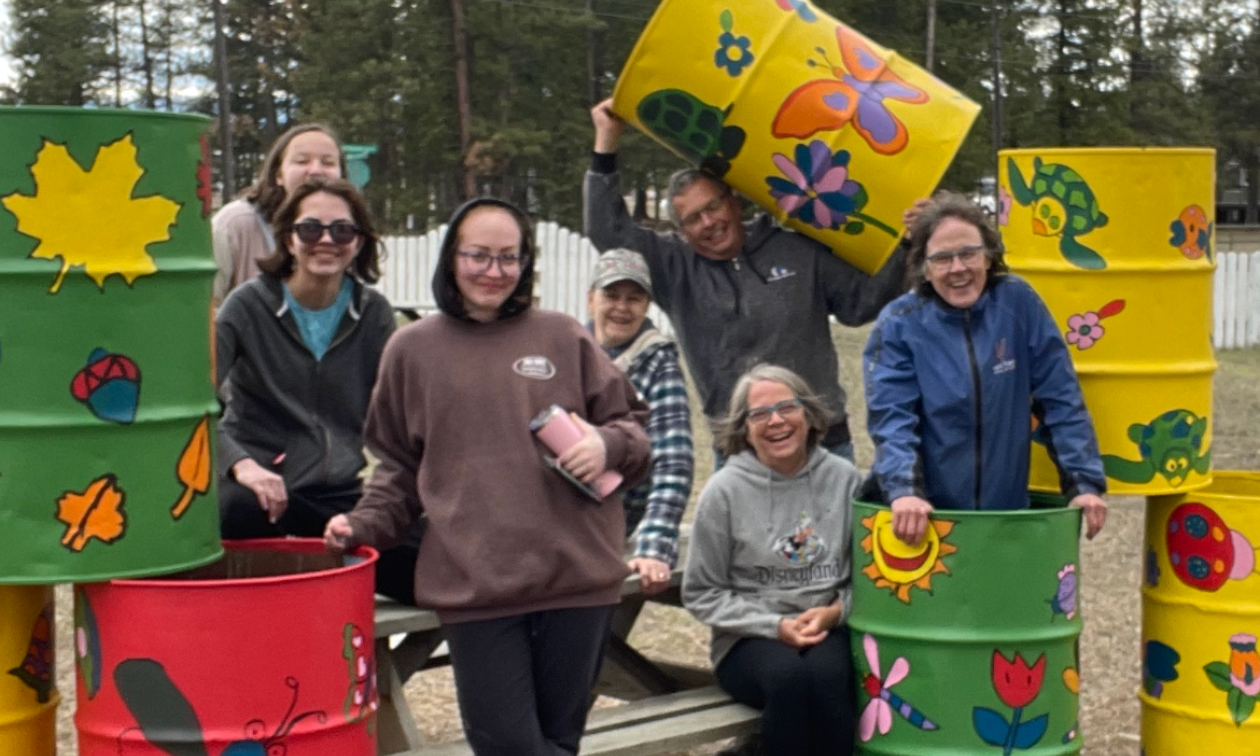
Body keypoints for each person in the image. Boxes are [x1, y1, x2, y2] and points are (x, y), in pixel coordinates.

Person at [322, 197, 652, 756]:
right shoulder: (411, 350)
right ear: (452, 256)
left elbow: (637, 434)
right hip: (477, 586)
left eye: (509, 258)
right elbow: (398, 469)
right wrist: (361, 526)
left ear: (526, 264)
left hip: (579, 579)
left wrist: (605, 443)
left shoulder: (563, 336)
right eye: (478, 255)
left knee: (558, 741)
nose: (493, 272)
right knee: (507, 745)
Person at [585, 98, 916, 464]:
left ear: (734, 200)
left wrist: (906, 244)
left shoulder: (795, 244)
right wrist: (607, 138)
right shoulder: (674, 266)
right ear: (681, 231)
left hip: (823, 443)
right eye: (693, 219)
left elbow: (859, 305)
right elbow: (606, 229)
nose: (708, 223)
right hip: (739, 453)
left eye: (713, 207)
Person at [863, 191, 1108, 546]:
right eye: (943, 258)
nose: (958, 268)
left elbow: (1060, 398)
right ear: (924, 268)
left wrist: (1083, 484)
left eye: (968, 253)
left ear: (989, 257)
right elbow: (892, 418)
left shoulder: (1018, 303)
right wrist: (904, 491)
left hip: (1005, 517)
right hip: (926, 519)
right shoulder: (899, 324)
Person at [214, 175, 416, 603]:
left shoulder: (374, 313)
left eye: (342, 229)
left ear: (359, 242)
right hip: (259, 492)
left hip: (337, 493)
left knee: (428, 560)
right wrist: (241, 464)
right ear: (288, 239)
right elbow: (192, 402)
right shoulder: (247, 306)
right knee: (234, 510)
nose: (326, 240)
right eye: (310, 228)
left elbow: (402, 416)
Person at [683, 364, 859, 756]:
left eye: (787, 408)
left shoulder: (845, 480)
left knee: (830, 676)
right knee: (788, 678)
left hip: (827, 625)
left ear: (808, 414)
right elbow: (701, 592)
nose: (775, 421)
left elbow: (868, 577)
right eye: (759, 414)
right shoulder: (723, 492)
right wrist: (774, 625)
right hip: (750, 637)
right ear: (742, 428)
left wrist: (835, 613)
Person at [587, 248, 694, 594]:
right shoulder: (569, 348)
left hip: (616, 520)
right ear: (591, 299)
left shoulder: (658, 360)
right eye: (612, 295)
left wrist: (654, 544)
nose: (622, 307)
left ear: (647, 306)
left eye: (634, 298)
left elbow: (674, 463)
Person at [212, 123, 346, 307]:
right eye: (302, 161)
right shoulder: (235, 223)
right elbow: (203, 307)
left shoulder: (347, 234)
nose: (316, 170)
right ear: (278, 175)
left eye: (328, 162)